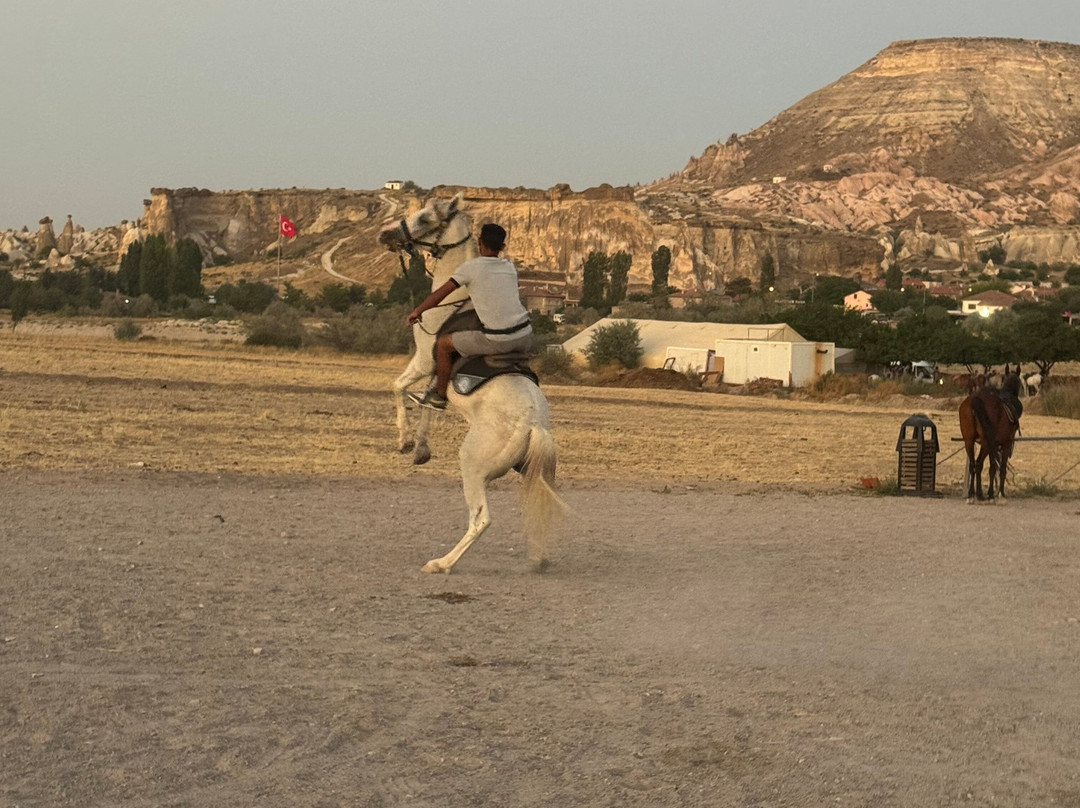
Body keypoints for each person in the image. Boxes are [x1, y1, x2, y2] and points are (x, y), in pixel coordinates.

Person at [407, 223, 534, 410]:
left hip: (498, 340)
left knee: (443, 344)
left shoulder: (470, 268)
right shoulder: (509, 267)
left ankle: (439, 396)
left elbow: (439, 295)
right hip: (526, 335)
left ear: (479, 242)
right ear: (503, 247)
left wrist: (418, 311)